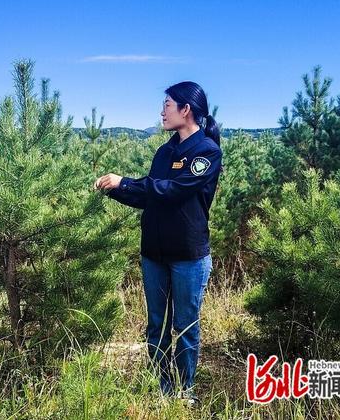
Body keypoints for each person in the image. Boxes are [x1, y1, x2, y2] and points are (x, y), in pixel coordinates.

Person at [93, 81, 222, 406]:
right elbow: (151, 194)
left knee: (185, 326)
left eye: (167, 105)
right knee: (156, 326)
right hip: (154, 253)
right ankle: (162, 390)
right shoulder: (165, 151)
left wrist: (128, 181)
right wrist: (116, 189)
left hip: (188, 256)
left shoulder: (206, 151)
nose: (162, 111)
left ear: (185, 109)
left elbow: (174, 190)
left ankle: (185, 391)